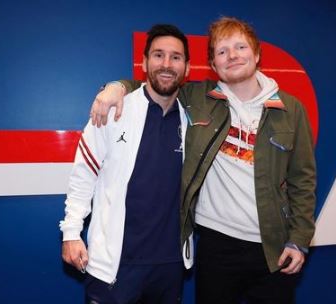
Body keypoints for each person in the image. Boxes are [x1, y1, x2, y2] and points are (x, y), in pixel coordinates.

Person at [92, 17, 316, 304]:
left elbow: (303, 181)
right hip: (215, 244)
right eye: (222, 51)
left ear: (257, 54)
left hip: (273, 248)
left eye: (240, 47)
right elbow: (152, 84)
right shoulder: (197, 96)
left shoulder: (291, 109)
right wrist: (115, 87)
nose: (232, 56)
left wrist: (299, 240)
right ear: (213, 63)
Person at [59, 24, 192, 304]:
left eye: (176, 57)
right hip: (115, 265)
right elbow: (84, 175)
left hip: (170, 265)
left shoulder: (194, 120)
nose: (166, 64)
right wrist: (71, 232)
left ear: (187, 68)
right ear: (143, 62)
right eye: (158, 55)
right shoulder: (113, 110)